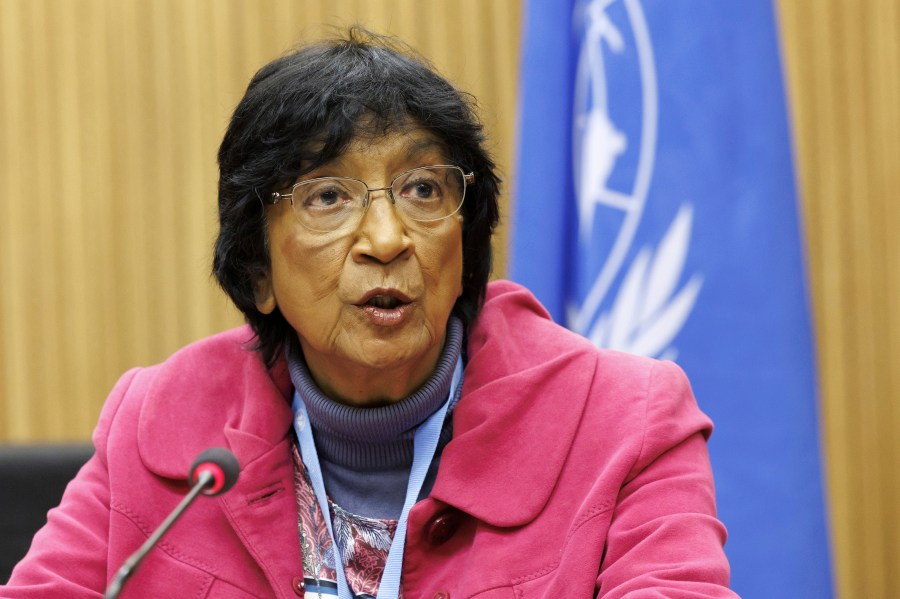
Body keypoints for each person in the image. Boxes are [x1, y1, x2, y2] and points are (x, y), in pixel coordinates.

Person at [3, 28, 737, 598]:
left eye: (423, 189)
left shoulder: (623, 421)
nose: (388, 239)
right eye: (327, 196)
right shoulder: (159, 423)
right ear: (259, 270)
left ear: (467, 243)